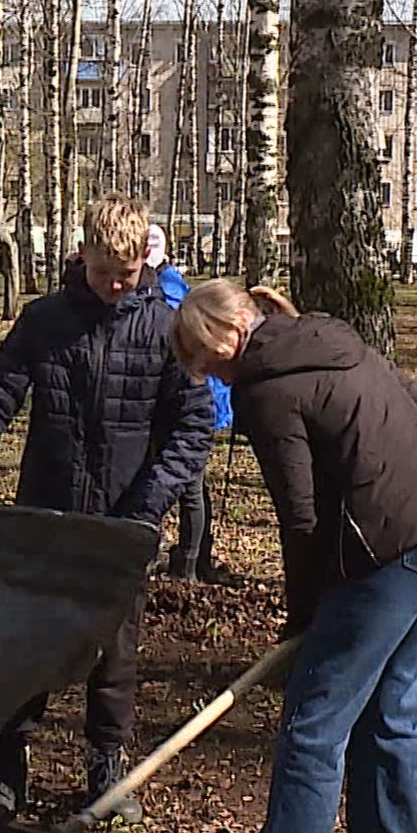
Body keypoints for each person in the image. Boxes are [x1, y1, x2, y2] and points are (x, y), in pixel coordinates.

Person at [168, 281, 417, 833]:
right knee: (390, 709)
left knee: (312, 726)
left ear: (230, 335)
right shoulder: (329, 336)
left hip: (395, 554)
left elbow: (300, 518)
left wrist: (303, 615)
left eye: (204, 356)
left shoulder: (265, 388)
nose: (207, 373)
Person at [0, 195, 215, 829]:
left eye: (125, 274)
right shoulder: (44, 320)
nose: (114, 285)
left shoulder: (167, 329)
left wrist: (149, 504)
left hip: (122, 523)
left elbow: (193, 427)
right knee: (24, 639)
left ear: (142, 263)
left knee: (115, 652)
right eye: (103, 272)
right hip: (44, 510)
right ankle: (7, 771)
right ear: (83, 257)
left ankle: (106, 768)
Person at [145, 224, 235, 583]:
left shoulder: (166, 293)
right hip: (186, 400)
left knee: (189, 486)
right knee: (189, 486)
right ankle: (189, 561)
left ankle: (188, 566)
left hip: (187, 402)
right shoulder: (173, 287)